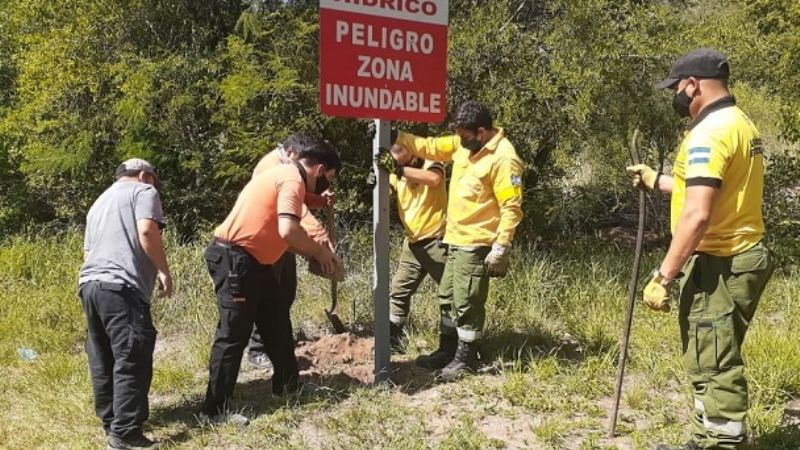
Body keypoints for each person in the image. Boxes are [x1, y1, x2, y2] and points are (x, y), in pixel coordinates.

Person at [626, 48, 775, 450]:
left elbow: (697, 215)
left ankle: (723, 443)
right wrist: (657, 180)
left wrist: (664, 276)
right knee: (705, 351)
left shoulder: (708, 133)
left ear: (693, 84)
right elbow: (711, 188)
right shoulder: (738, 122)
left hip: (723, 260)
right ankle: (704, 436)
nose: (674, 95)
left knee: (714, 359)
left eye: (676, 87)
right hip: (737, 254)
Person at [200, 140, 341, 424]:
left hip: (255, 262)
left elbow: (289, 212)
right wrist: (319, 251)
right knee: (233, 335)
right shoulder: (291, 178)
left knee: (276, 323)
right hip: (235, 259)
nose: (325, 185)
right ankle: (213, 411)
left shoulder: (287, 175)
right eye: (327, 179)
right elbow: (288, 228)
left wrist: (316, 202)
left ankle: (288, 387)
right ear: (320, 169)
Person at [391, 100, 524, 380]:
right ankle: (447, 349)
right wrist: (397, 137)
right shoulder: (464, 145)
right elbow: (430, 147)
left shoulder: (503, 157)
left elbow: (511, 206)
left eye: (465, 137)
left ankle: (466, 358)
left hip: (476, 242)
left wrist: (502, 246)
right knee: (448, 296)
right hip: (454, 238)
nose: (460, 142)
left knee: (467, 301)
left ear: (481, 131)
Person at [78, 158, 172, 450]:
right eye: (153, 180)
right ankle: (126, 435)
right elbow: (147, 231)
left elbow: (87, 251)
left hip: (90, 285)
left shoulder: (98, 202)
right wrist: (164, 270)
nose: (154, 185)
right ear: (145, 175)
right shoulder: (144, 191)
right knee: (132, 355)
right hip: (121, 287)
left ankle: (112, 422)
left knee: (103, 357)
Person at [245, 133, 335, 371]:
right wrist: (317, 235)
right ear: (294, 153)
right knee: (269, 297)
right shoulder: (274, 167)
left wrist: (318, 200)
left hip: (283, 240)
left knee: (285, 292)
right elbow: (292, 209)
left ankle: (276, 342)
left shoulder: (289, 168)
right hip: (267, 239)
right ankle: (257, 350)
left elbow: (300, 200)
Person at [368, 146, 448, 353]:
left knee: (453, 294)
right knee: (399, 291)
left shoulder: (431, 161)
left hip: (437, 241)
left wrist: (396, 169)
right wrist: (378, 184)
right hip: (413, 244)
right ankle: (393, 339)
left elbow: (434, 179)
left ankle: (457, 345)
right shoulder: (398, 172)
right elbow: (386, 194)